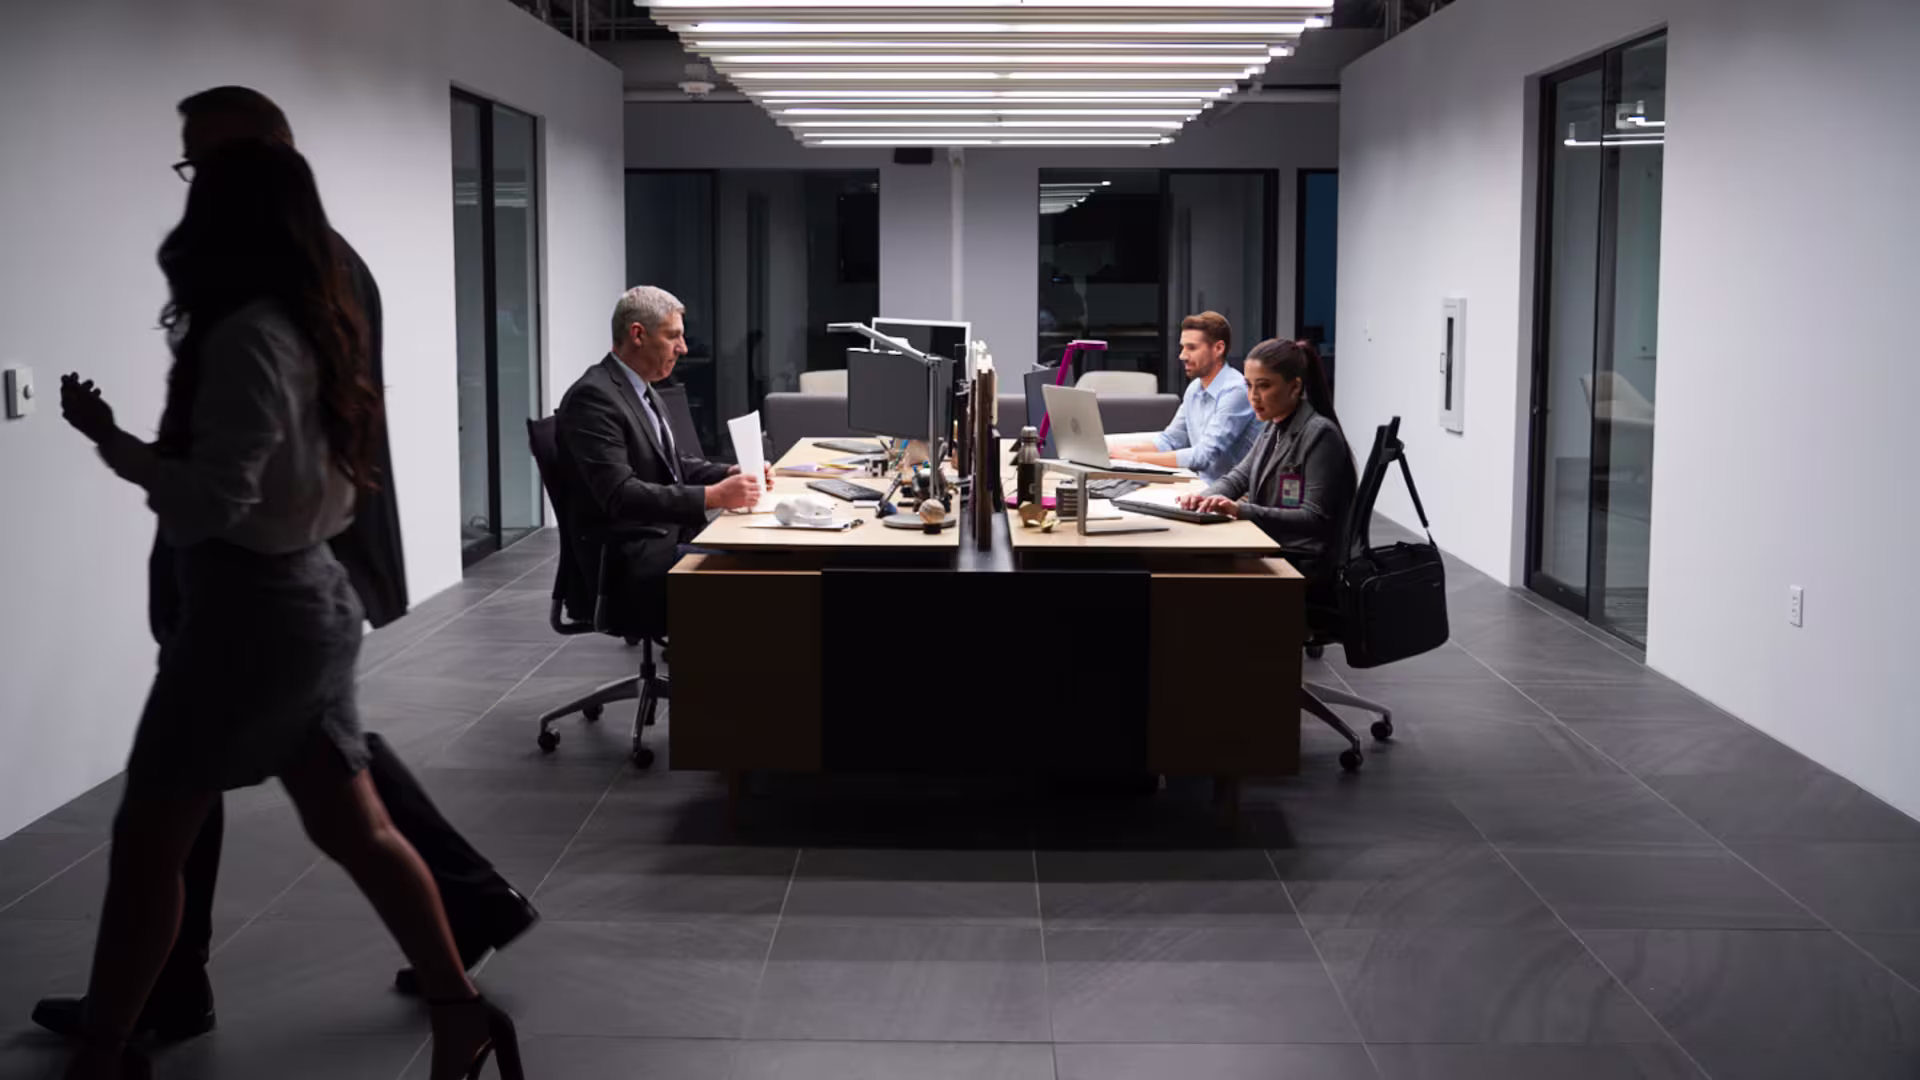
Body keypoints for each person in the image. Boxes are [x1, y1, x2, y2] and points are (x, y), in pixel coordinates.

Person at [32, 86, 536, 1048]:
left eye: (203, 165)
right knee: (348, 824)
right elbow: (332, 456)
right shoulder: (318, 293)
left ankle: (122, 1036)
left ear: (250, 173)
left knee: (152, 844)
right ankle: (460, 1007)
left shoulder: (257, 320)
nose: (190, 189)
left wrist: (113, 445)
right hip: (303, 590)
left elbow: (216, 495)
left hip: (252, 603)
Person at [554, 287, 766, 624]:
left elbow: (674, 463)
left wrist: (728, 473)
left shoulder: (642, 388)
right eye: (673, 336)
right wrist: (712, 497)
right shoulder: (594, 398)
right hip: (630, 560)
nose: (683, 348)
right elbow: (620, 495)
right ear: (638, 334)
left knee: (771, 558)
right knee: (763, 578)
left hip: (664, 537)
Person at [1180, 338, 1355, 577]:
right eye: (1249, 385)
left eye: (1263, 386)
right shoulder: (1274, 426)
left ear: (1294, 387)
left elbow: (1313, 517)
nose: (1253, 396)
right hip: (1272, 545)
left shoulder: (1320, 435)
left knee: (1197, 571)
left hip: (1301, 561)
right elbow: (1237, 478)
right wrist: (1201, 500)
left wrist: (1241, 510)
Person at [1111, 311, 1258, 484]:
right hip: (1200, 487)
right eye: (1182, 347)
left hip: (1233, 496)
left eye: (1192, 348)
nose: (1182, 356)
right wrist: (1116, 451)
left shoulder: (1236, 390)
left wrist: (1135, 459)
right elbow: (1170, 440)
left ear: (1218, 348)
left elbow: (1204, 455)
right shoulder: (1195, 388)